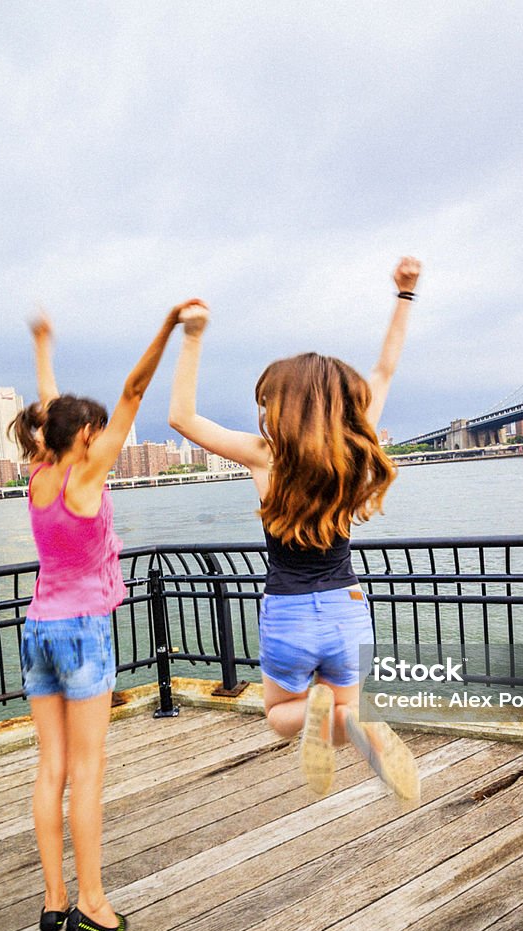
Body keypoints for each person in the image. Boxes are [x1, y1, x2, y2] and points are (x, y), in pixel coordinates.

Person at [169, 259, 422, 801]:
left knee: (281, 713)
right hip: (346, 606)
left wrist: (192, 337)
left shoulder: (264, 456)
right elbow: (385, 371)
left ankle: (319, 711)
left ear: (281, 405)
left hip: (286, 610)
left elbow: (183, 419)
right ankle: (354, 721)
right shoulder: (354, 449)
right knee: (349, 710)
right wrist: (405, 295)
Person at [11, 300, 203, 931]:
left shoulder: (40, 473)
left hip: (38, 628)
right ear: (86, 437)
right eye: (96, 427)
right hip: (84, 629)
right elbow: (133, 389)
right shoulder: (86, 477)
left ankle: (53, 899)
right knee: (88, 771)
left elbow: (49, 404)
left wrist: (43, 347)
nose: (102, 430)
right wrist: (169, 327)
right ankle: (91, 904)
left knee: (51, 769)